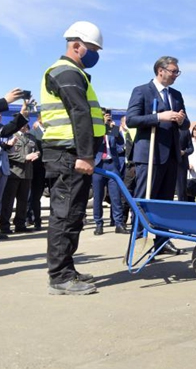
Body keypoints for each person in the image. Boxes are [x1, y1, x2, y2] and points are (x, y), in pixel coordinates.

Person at [40, 21, 105, 295]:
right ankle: (60, 277)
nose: (95, 55)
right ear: (76, 45)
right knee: (65, 215)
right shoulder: (66, 71)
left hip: (71, 154)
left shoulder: (75, 73)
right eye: (92, 49)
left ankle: (66, 269)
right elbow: (79, 112)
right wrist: (85, 155)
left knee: (73, 214)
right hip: (68, 155)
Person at [126, 56, 190, 256]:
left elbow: (186, 124)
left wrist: (181, 120)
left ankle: (162, 241)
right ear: (160, 70)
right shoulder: (142, 91)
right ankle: (137, 241)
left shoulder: (176, 95)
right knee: (144, 200)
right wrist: (158, 117)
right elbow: (131, 119)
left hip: (171, 156)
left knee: (165, 202)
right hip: (149, 156)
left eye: (177, 72)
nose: (176, 75)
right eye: (173, 71)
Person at [91, 109, 127, 235]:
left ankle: (118, 223)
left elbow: (120, 145)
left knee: (116, 196)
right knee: (98, 196)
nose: (107, 117)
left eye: (108, 115)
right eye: (104, 115)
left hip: (112, 165)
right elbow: (93, 144)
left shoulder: (112, 129)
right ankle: (98, 224)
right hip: (98, 165)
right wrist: (102, 126)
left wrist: (114, 129)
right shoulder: (95, 129)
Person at [1, 124, 38, 233]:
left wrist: (37, 154)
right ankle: (4, 225)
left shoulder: (31, 137)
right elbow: (7, 153)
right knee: (8, 201)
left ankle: (20, 224)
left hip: (27, 173)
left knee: (23, 201)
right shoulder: (10, 135)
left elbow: (37, 150)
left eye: (25, 123)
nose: (23, 126)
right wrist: (24, 158)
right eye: (21, 123)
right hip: (14, 172)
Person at [27, 120, 46, 230]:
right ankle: (33, 218)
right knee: (34, 196)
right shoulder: (33, 133)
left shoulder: (52, 131)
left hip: (49, 169)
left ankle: (37, 219)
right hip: (37, 169)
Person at [175, 127, 194, 201]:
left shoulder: (185, 131)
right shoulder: (167, 128)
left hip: (181, 164)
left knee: (181, 190)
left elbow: (191, 148)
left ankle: (182, 206)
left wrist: (184, 152)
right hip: (167, 163)